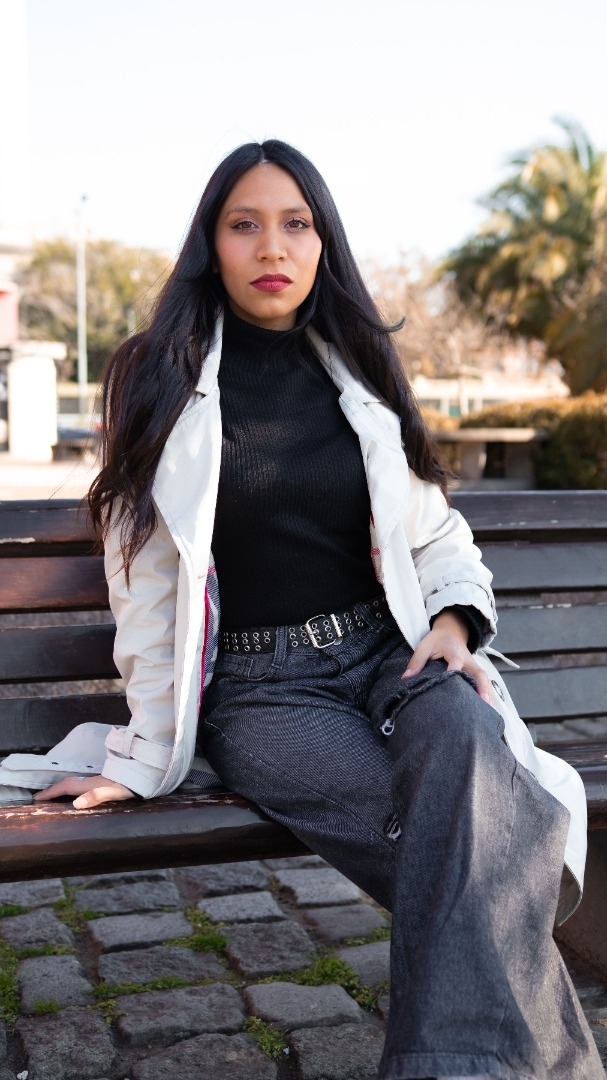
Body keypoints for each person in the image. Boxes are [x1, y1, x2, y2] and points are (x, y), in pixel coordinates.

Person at [34, 140, 604, 1080]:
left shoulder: (359, 364)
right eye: (245, 224)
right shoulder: (159, 370)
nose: (273, 246)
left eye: (295, 224)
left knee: (466, 747)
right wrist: (140, 753)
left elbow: (434, 530)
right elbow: (145, 577)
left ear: (322, 241)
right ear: (211, 243)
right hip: (264, 689)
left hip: (392, 654)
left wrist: (452, 625)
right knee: (482, 841)